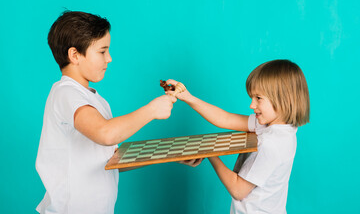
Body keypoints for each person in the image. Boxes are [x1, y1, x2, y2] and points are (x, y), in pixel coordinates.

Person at [35, 11, 176, 214]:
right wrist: (152, 110)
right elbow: (106, 134)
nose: (109, 58)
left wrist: (170, 154)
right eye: (102, 51)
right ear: (75, 55)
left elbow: (110, 159)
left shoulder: (95, 100)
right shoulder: (65, 92)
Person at [166, 59, 310, 214]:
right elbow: (225, 119)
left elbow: (238, 190)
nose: (252, 105)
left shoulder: (271, 143)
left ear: (283, 99)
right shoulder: (280, 128)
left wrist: (209, 153)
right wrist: (187, 96)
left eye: (258, 98)